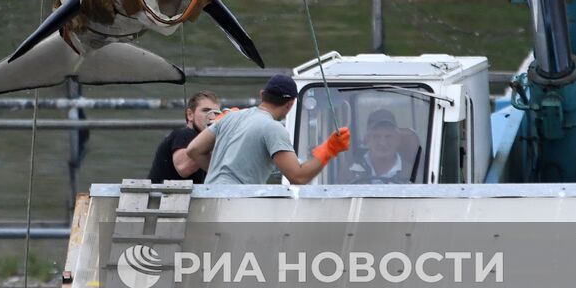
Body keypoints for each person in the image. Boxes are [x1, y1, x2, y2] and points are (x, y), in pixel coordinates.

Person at [181, 74, 349, 186]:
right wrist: (329, 149)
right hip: (235, 206)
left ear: (262, 95)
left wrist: (223, 174)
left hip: (209, 197)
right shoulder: (273, 129)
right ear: (290, 104)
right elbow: (298, 177)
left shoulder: (230, 116)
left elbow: (194, 150)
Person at [147, 92, 220, 183]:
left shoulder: (212, 144)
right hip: (164, 195)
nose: (212, 117)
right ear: (190, 114)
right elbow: (183, 168)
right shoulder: (184, 134)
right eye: (206, 110)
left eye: (217, 113)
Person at [345, 109, 413, 184]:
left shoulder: (412, 174)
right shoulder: (350, 171)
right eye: (376, 136)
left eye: (388, 136)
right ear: (367, 139)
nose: (382, 143)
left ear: (397, 139)